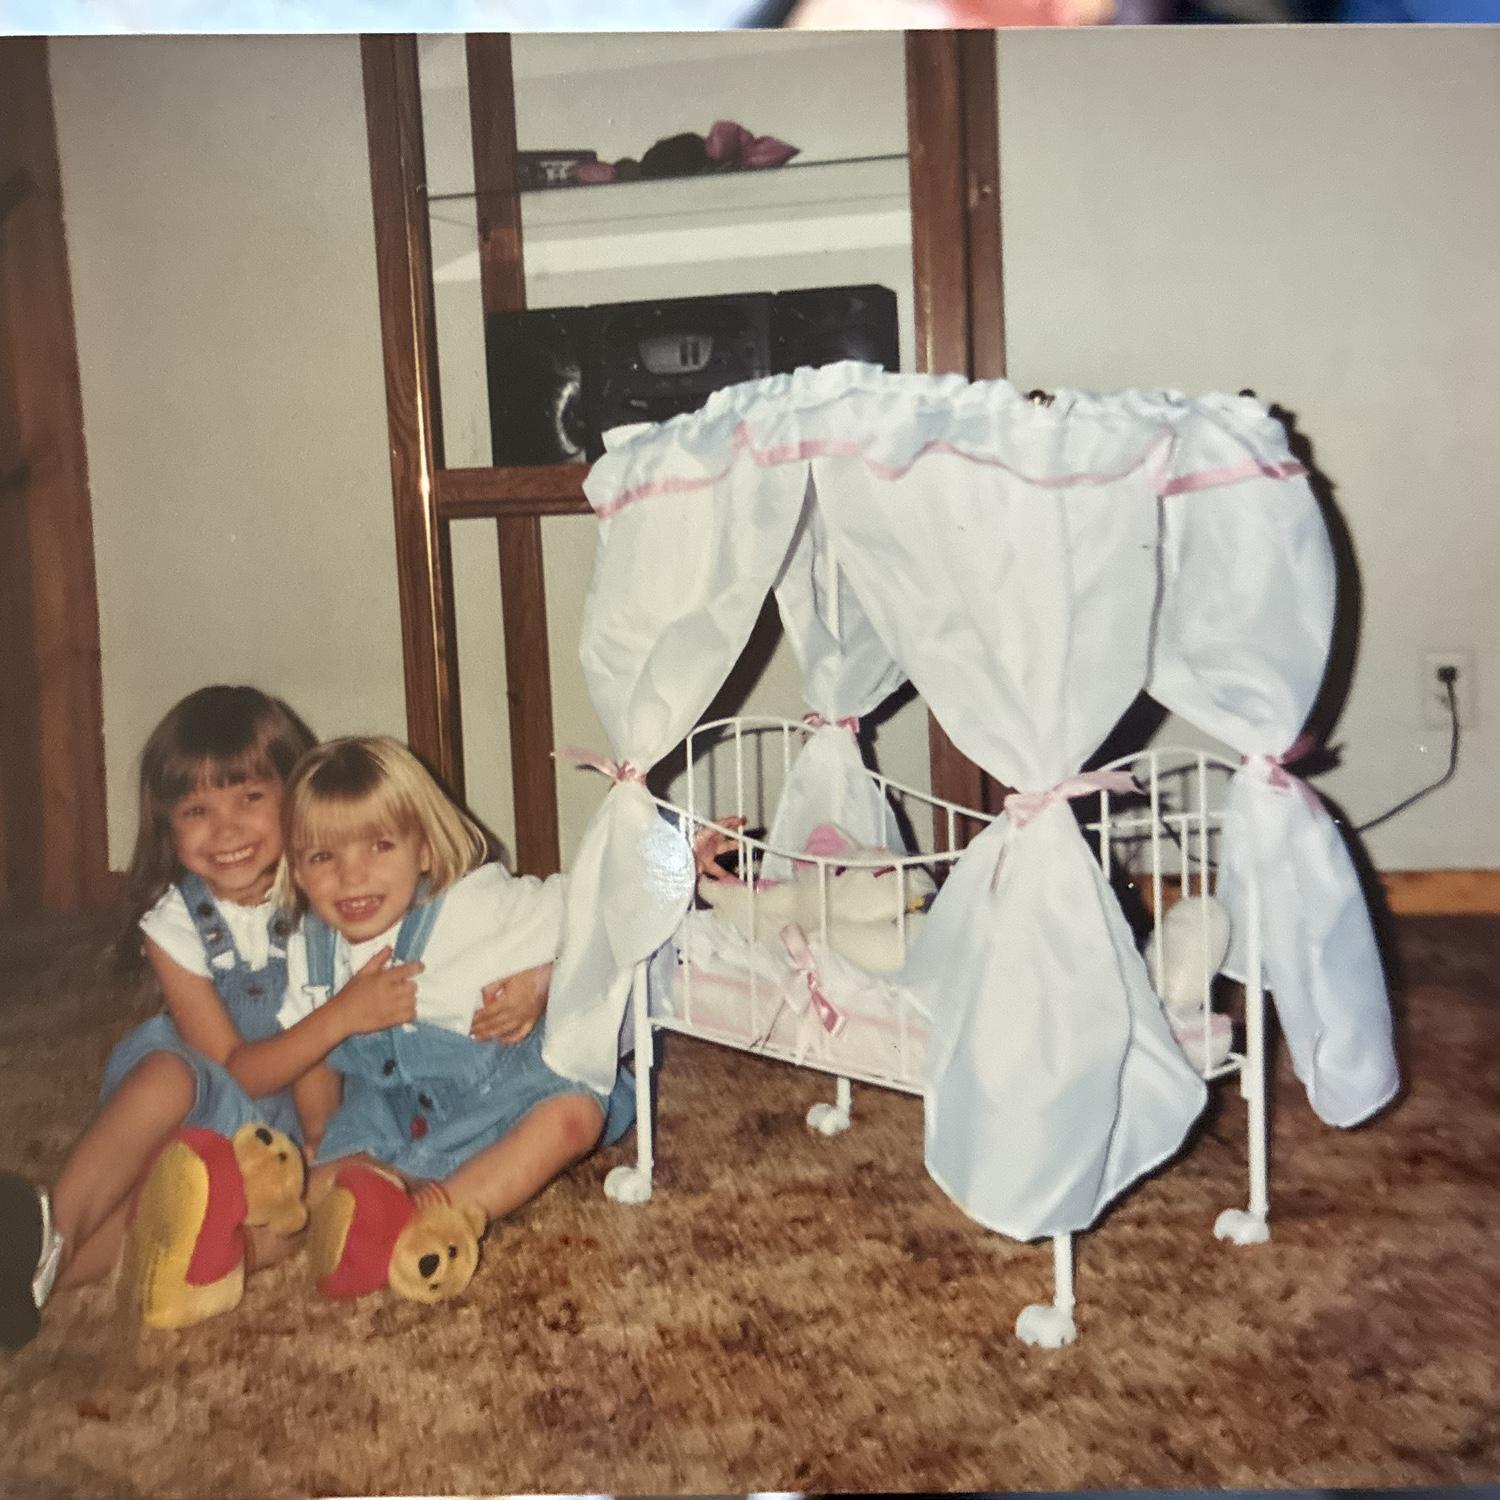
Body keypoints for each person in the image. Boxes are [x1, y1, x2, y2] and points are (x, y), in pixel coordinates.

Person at [0, 688, 538, 1353]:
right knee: (166, 1076)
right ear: (167, 825)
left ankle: (34, 1285)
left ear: (296, 797)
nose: (225, 830)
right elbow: (235, 1071)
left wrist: (320, 1135)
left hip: (285, 1130)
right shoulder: (174, 924)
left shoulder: (333, 888)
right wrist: (343, 1015)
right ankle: (48, 1232)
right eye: (196, 811)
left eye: (250, 799)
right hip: (208, 1088)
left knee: (272, 1198)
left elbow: (333, 1060)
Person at [240, 735, 633, 1300]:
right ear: (297, 871)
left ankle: (441, 1215)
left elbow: (593, 904)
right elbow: (310, 1053)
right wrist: (321, 1134)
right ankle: (230, 1254)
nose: (351, 877)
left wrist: (543, 981)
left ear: (424, 851)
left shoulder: (472, 905)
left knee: (575, 1117)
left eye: (379, 846)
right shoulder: (312, 945)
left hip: (508, 1093)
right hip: (391, 1113)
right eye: (323, 857)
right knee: (320, 1185)